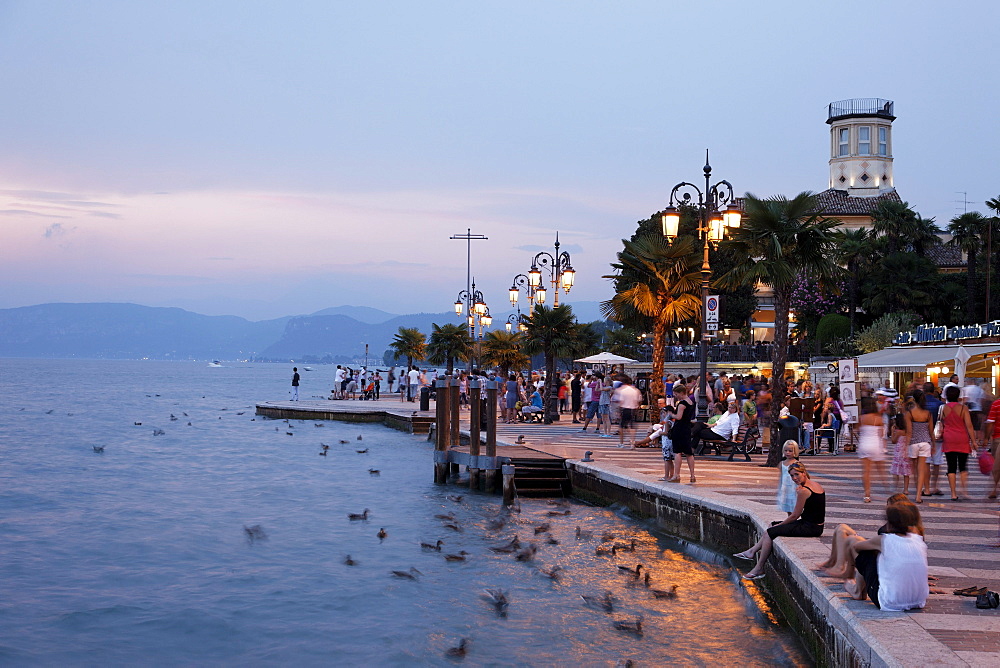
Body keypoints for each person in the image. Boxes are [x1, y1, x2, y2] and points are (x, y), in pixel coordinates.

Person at [735, 461, 825, 579]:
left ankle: (759, 568)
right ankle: (752, 551)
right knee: (772, 524)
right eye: (792, 475)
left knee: (771, 531)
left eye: (797, 474)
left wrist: (780, 526)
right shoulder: (815, 484)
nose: (794, 478)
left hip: (811, 527)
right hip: (814, 525)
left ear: (804, 473)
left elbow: (794, 516)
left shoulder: (804, 491)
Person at [845, 502, 928, 611]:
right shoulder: (918, 539)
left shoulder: (884, 540)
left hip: (890, 602)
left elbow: (856, 547)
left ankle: (857, 591)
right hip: (919, 601)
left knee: (861, 550)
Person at [815, 493, 912, 579]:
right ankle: (833, 562)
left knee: (852, 540)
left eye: (889, 507)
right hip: (876, 550)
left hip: (878, 561)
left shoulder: (900, 530)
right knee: (841, 528)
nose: (886, 510)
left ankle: (841, 568)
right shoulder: (899, 526)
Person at [941, 384, 978, 500]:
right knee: (963, 466)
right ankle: (964, 491)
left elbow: (941, 423)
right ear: (958, 396)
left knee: (951, 466)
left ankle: (953, 493)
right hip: (962, 438)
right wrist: (974, 441)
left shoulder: (943, 408)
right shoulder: (963, 408)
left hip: (948, 438)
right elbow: (969, 426)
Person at [903, 389, 932, 503]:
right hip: (925, 443)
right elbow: (931, 431)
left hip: (914, 443)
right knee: (922, 469)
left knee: (914, 470)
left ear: (913, 399)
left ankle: (916, 490)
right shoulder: (928, 413)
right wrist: (933, 443)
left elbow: (909, 432)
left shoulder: (909, 413)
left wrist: (906, 446)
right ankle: (919, 495)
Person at [856, 397, 887, 503]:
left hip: (864, 444)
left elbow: (857, 429)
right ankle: (886, 488)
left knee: (866, 471)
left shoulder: (862, 418)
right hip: (875, 444)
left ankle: (867, 495)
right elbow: (882, 434)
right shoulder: (879, 418)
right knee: (881, 469)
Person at [667, 384, 696, 483]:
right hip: (687, 428)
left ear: (681, 393)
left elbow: (679, 417)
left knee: (677, 452)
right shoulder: (691, 402)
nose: (676, 396)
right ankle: (692, 475)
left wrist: (671, 414)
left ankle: (676, 475)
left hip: (679, 429)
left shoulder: (682, 404)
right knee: (689, 453)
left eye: (676, 394)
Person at [922, 382, 946, 497]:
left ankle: (926, 487)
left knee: (926, 462)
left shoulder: (920, 403)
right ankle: (934, 486)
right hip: (937, 436)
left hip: (923, 435)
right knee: (937, 462)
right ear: (933, 391)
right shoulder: (940, 404)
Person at [615, 378, 643, 448]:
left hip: (624, 409)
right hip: (633, 409)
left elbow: (620, 401)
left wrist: (618, 411)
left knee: (621, 426)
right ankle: (632, 443)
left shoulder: (622, 390)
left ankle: (621, 443)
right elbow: (639, 400)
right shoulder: (636, 390)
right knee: (632, 426)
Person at [889, 407, 911, 495]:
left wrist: (892, 431)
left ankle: (896, 486)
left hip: (898, 453)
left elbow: (893, 441)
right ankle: (906, 489)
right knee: (906, 473)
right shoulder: (907, 431)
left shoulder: (898, 432)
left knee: (896, 471)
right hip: (906, 452)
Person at [776, 440, 801, 515]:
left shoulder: (797, 463)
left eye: (790, 451)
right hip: (785, 487)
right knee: (787, 505)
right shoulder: (782, 463)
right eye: (786, 450)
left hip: (794, 487)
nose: (787, 453)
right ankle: (789, 518)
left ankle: (793, 520)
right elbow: (781, 476)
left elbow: (801, 476)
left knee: (794, 504)